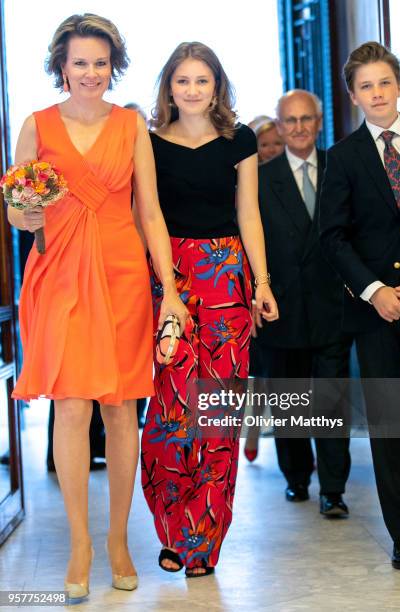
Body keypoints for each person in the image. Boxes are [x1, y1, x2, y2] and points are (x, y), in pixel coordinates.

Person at [8, 13, 187, 599]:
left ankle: (117, 539)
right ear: (61, 65)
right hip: (59, 274)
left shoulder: (132, 125)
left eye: (100, 62)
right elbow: (15, 204)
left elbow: (151, 213)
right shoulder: (35, 126)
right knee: (71, 405)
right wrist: (22, 215)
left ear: (115, 66)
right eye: (80, 62)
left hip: (122, 276)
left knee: (119, 409)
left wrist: (172, 289)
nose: (90, 72)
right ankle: (80, 543)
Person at [140, 41, 278, 577]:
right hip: (167, 280)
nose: (192, 90)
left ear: (216, 86)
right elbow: (146, 216)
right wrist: (164, 284)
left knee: (219, 414)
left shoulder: (240, 140)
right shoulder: (148, 143)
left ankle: (203, 544)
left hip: (227, 276)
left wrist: (261, 283)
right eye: (182, 81)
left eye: (202, 80)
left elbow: (250, 216)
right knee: (170, 413)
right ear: (168, 88)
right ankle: (173, 529)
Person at [319, 41, 400, 570]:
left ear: (399, 85)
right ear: (353, 95)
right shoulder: (341, 157)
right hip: (374, 309)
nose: (377, 93)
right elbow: (333, 237)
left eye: (384, 82)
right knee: (388, 417)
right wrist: (375, 291)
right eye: (365, 86)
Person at [254, 90, 352, 515]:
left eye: (305, 119)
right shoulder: (259, 178)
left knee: (331, 402)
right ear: (278, 125)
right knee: (289, 399)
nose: (297, 128)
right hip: (283, 309)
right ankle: (297, 478)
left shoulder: (342, 168)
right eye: (289, 120)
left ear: (319, 121)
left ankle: (333, 489)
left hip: (334, 307)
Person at [244, 116, 284, 462]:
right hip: (255, 287)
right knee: (259, 373)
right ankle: (253, 431)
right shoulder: (244, 185)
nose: (271, 150)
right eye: (264, 144)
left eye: (276, 143)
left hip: (285, 288)